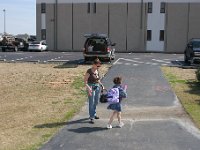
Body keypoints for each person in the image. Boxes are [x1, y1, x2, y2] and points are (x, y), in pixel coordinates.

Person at [84, 58, 104, 124]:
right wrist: (88, 87)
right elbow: (85, 81)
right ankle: (91, 116)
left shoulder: (97, 70)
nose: (98, 67)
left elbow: (97, 80)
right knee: (91, 102)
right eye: (97, 66)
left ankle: (94, 114)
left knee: (96, 101)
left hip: (97, 86)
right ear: (93, 64)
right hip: (91, 87)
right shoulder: (89, 71)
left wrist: (102, 85)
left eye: (99, 66)